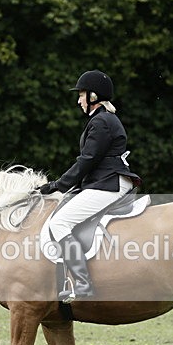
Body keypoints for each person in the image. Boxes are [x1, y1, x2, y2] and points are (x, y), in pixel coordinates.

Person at [38, 70, 141, 302]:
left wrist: (59, 185)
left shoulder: (101, 122)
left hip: (108, 183)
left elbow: (87, 160)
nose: (78, 100)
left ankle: (82, 283)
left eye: (81, 95)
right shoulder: (103, 120)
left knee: (60, 222)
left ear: (93, 96)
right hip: (104, 181)